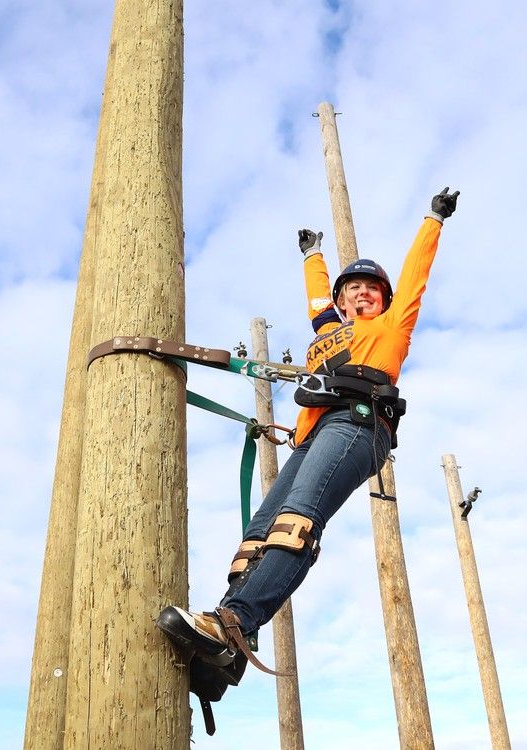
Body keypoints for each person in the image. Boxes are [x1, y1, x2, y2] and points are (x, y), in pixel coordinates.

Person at [157, 187, 460, 687]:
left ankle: (233, 623)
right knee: (258, 534)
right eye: (354, 289)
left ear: (383, 299)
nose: (363, 294)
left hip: (358, 423)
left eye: (372, 289)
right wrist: (312, 255)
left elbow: (414, 278)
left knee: (297, 520)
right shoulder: (327, 331)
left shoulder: (392, 326)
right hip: (312, 437)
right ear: (341, 301)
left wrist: (433, 220)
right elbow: (317, 299)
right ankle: (226, 654)